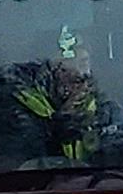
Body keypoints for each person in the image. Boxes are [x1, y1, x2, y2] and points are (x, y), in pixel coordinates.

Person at [15, 25, 101, 162]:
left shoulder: (105, 109)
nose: (78, 73)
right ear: (46, 72)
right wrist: (58, 128)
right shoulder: (19, 112)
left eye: (83, 63)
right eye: (66, 65)